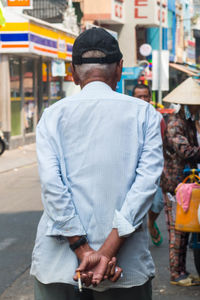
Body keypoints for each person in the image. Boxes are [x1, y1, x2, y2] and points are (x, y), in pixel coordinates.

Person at [30, 27, 163, 300]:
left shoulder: (53, 116)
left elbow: (52, 187)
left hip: (59, 267)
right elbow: (145, 187)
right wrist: (105, 254)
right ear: (119, 69)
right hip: (125, 269)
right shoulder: (145, 114)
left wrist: (83, 250)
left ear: (73, 71)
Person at [161, 98, 200, 286]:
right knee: (177, 230)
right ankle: (176, 273)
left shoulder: (189, 122)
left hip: (185, 182)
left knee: (185, 228)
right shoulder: (176, 124)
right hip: (174, 183)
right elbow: (185, 151)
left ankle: (182, 270)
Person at [132, 83, 165, 247]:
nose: (143, 99)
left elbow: (164, 141)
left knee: (158, 202)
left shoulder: (157, 117)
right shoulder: (127, 116)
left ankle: (151, 222)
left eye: (146, 96)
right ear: (133, 98)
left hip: (155, 167)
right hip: (132, 168)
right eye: (139, 96)